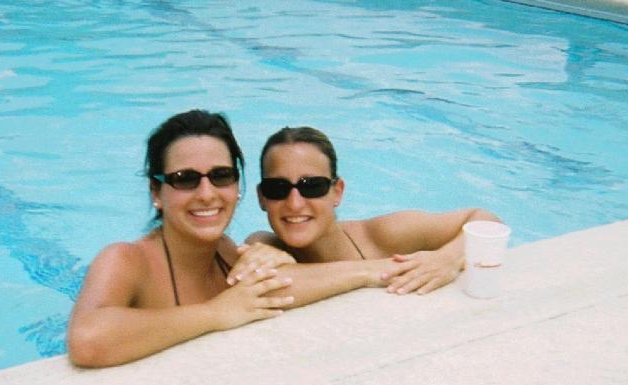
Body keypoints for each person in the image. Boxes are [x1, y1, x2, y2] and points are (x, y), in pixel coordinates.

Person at [67, 110, 296, 368]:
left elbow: (288, 288)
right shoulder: (126, 260)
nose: (207, 194)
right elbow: (86, 341)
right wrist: (213, 313)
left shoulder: (227, 253)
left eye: (221, 176)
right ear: (156, 192)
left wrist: (278, 256)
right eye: (185, 179)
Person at [245, 126, 502, 295]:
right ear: (261, 197)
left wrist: (447, 259)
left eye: (312, 186)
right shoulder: (265, 246)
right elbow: (270, 285)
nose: (294, 203)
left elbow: (487, 220)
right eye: (277, 188)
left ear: (337, 191)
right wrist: (371, 272)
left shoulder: (385, 235)